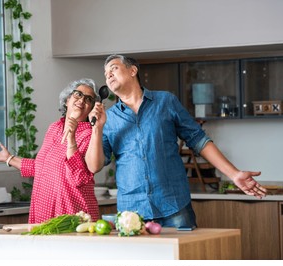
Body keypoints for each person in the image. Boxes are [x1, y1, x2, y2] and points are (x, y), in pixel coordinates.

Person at [86, 54, 267, 228]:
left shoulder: (165, 101)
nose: (108, 74)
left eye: (114, 68)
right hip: (132, 212)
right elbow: (94, 166)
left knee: (183, 258)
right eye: (105, 73)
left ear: (133, 71)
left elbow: (198, 140)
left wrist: (234, 174)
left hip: (173, 204)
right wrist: (97, 128)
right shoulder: (108, 118)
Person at [0, 78, 100, 223]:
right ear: (67, 100)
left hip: (73, 214)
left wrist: (71, 138)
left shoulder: (90, 134)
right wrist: (9, 158)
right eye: (78, 94)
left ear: (90, 109)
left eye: (88, 99)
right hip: (44, 213)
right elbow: (42, 167)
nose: (82, 100)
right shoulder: (54, 128)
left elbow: (80, 177)